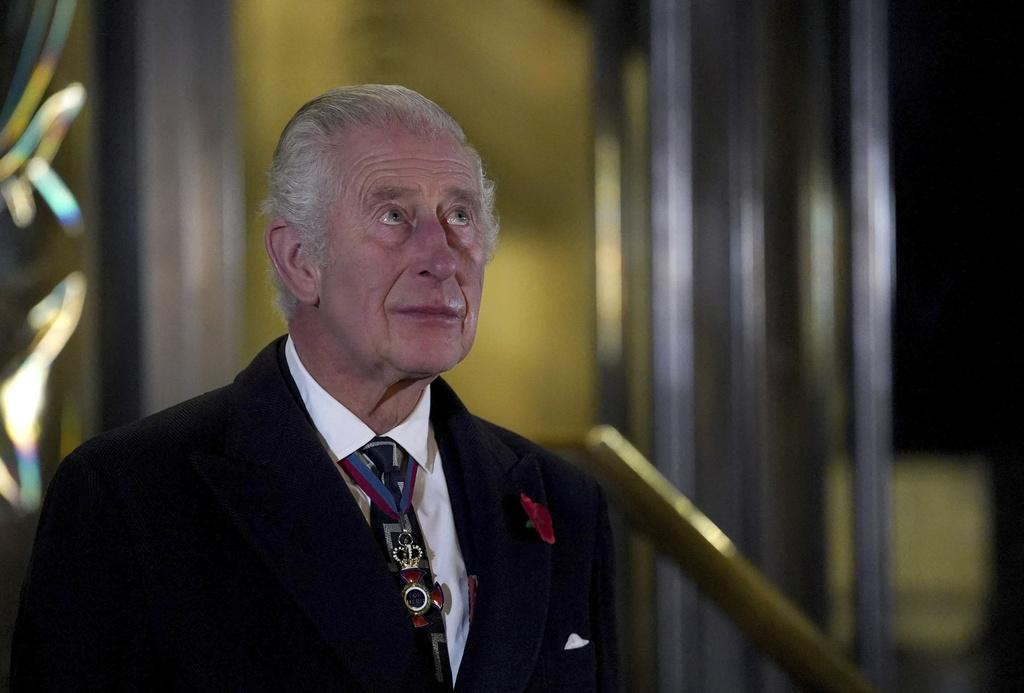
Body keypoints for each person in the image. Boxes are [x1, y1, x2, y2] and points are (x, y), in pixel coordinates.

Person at [10, 85, 619, 691]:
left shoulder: (564, 504)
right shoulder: (129, 497)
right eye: (394, 216)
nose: (442, 258)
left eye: (460, 216)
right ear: (300, 260)